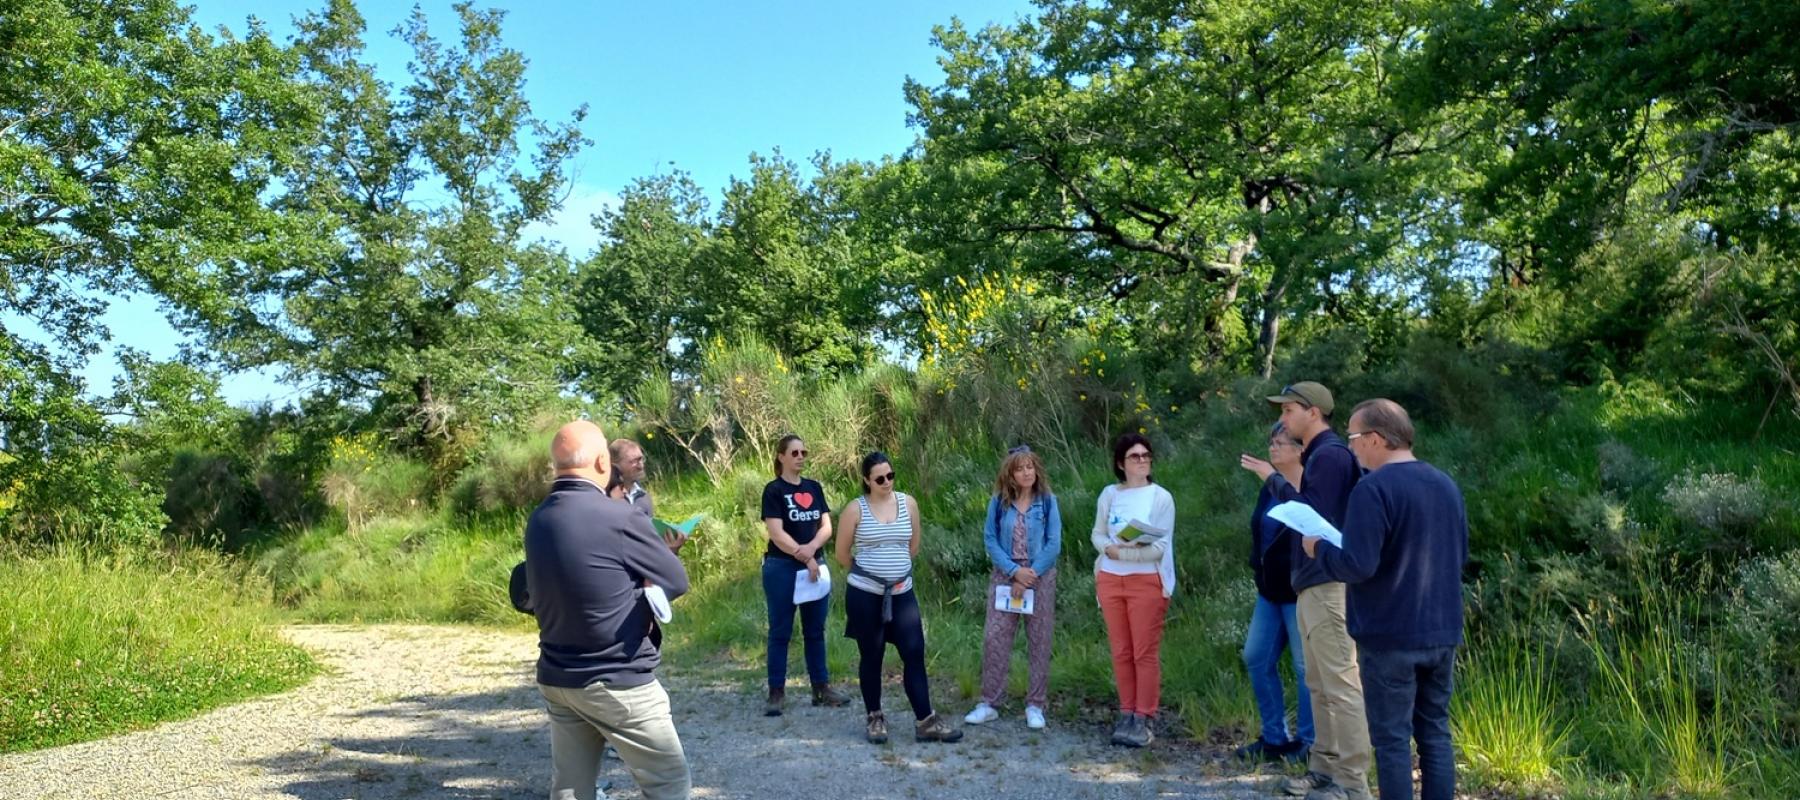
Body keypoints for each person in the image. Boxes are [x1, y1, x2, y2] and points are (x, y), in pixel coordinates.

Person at [1303, 400, 1468, 800]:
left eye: (1354, 437)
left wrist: (1319, 550)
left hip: (1389, 634)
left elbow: (1358, 565)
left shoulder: (1372, 489)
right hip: (1441, 629)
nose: (1352, 447)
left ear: (1376, 439)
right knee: (1435, 732)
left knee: (1393, 741)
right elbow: (1459, 554)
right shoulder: (1445, 483)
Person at [524, 420, 692, 800]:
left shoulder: (538, 519)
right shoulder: (620, 516)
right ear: (603, 463)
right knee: (669, 784)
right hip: (617, 676)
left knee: (570, 788)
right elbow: (675, 580)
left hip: (558, 676)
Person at [1240, 381, 1371, 800]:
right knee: (1318, 683)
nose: (1283, 419)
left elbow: (1313, 515)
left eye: (1289, 410)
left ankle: (1352, 783)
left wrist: (1271, 477)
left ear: (1312, 412)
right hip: (1310, 586)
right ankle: (1324, 768)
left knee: (1340, 683)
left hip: (1329, 584)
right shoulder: (1320, 455)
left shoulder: (1330, 455)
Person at [835, 452, 963, 744]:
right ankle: (875, 717)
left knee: (914, 651)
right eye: (879, 478)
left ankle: (926, 721)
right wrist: (872, 575)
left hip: (902, 592)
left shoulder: (908, 503)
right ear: (867, 480)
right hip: (865, 594)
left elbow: (913, 546)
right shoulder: (855, 510)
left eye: (890, 476)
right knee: (872, 655)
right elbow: (842, 554)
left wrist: (895, 573)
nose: (887, 482)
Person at [965, 444, 1062, 730]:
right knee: (994, 639)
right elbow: (990, 539)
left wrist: (1029, 574)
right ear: (1010, 473)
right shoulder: (999, 502)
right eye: (1020, 468)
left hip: (1039, 578)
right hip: (1005, 577)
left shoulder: (1047, 501)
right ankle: (989, 703)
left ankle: (1035, 705)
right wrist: (1013, 571)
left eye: (1030, 466)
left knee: (1040, 640)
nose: (1026, 472)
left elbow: (1054, 542)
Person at [1234, 422, 1313, 764]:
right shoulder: (1268, 488)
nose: (1273, 448)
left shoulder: (1310, 487)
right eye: (1271, 442)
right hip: (1269, 592)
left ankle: (1309, 744)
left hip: (1299, 593)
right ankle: (1273, 737)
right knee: (1256, 656)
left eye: (1281, 443)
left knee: (1305, 668)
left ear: (1300, 450)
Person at [1091, 432, 1176, 748]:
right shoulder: (1109, 495)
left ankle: (1144, 716)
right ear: (1120, 463)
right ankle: (1126, 712)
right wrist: (1109, 549)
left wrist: (1124, 552)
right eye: (1134, 456)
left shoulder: (1161, 497)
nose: (1142, 461)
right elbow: (1098, 534)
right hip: (1111, 579)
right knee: (1121, 651)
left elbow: (1161, 546)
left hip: (1146, 581)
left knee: (1144, 651)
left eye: (1146, 455)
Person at [759, 434, 851, 715]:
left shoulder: (813, 487)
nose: (800, 456)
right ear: (781, 457)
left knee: (815, 631)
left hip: (813, 565)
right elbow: (776, 532)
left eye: (804, 452)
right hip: (781, 568)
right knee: (780, 632)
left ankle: (820, 688)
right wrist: (805, 556)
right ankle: (776, 692)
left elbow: (826, 527)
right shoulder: (773, 490)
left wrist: (811, 553)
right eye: (795, 452)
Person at [610, 438, 654, 518]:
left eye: (641, 459)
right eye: (634, 461)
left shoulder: (644, 497)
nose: (641, 466)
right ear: (615, 466)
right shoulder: (606, 500)